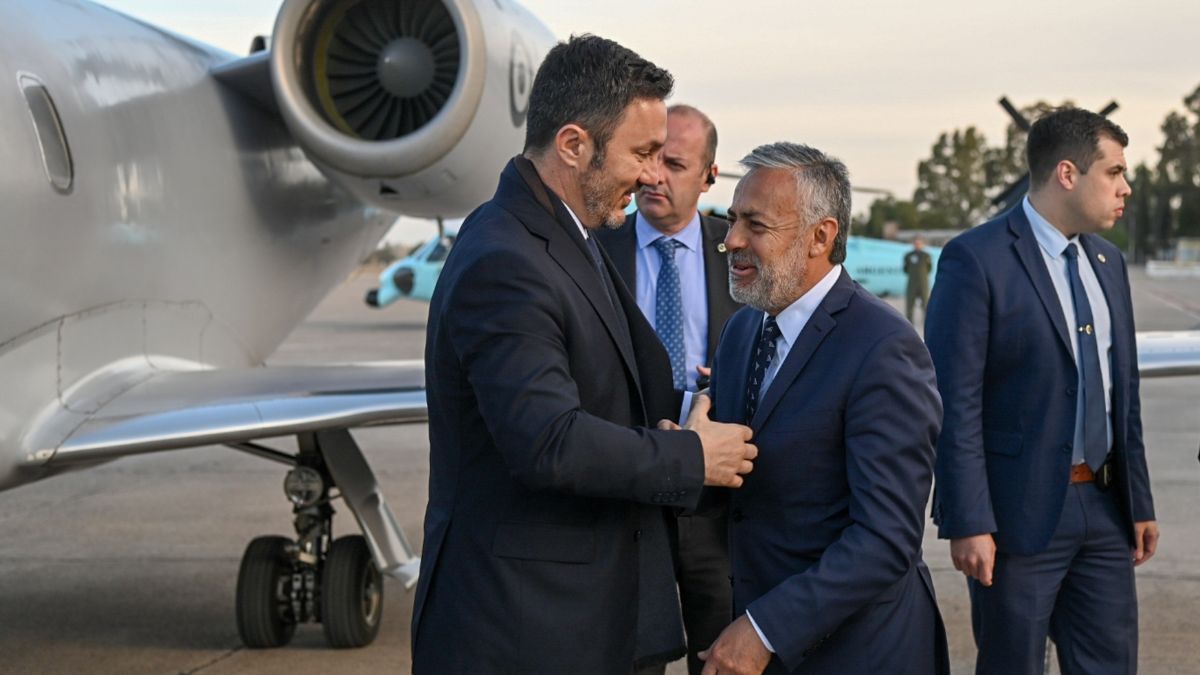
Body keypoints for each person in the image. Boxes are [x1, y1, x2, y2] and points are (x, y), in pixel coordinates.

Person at [410, 35, 758, 674]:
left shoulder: (568, 231)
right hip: (526, 629)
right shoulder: (506, 259)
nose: (654, 175)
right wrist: (690, 455)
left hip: (583, 615)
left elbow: (610, 388)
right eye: (643, 153)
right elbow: (547, 442)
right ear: (574, 145)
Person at [699, 142, 948, 674]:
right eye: (731, 219)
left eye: (756, 226)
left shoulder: (884, 348)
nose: (732, 240)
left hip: (858, 652)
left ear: (821, 236)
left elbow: (884, 540)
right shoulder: (744, 329)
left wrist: (765, 629)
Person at [925, 107, 1159, 674]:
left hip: (1104, 511)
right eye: (1115, 172)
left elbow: (1121, 394)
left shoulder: (1108, 262)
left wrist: (1140, 502)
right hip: (1016, 520)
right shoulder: (975, 259)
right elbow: (954, 403)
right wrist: (968, 519)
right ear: (1067, 174)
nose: (1125, 187)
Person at [596, 104, 741, 675]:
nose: (654, 175)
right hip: (626, 496)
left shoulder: (742, 252)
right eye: (650, 158)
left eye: (675, 164)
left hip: (718, 504)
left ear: (709, 176)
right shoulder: (593, 249)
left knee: (723, 655)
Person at [903, 236, 932, 323]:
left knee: (925, 303)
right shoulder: (908, 256)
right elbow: (905, 269)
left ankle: (927, 321)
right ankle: (909, 321)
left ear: (922, 245)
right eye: (916, 243)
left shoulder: (926, 255)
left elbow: (929, 268)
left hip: (923, 283)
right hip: (912, 283)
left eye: (919, 244)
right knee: (910, 303)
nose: (917, 245)